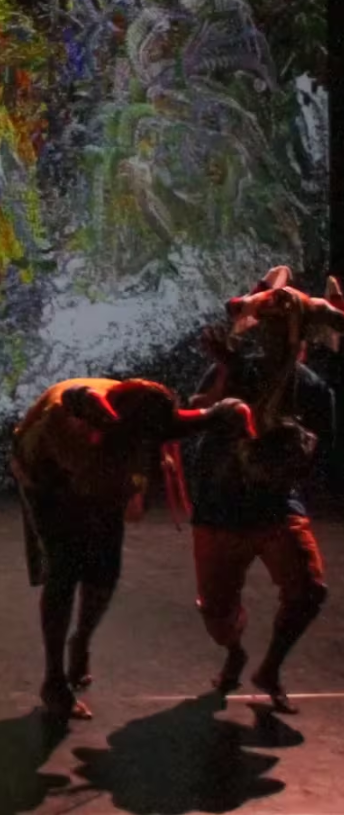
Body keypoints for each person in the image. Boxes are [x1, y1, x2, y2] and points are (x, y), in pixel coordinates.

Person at [11, 376, 226, 721]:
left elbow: (188, 424)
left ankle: (80, 639)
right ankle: (54, 679)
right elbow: (84, 480)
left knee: (104, 571)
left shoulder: (139, 419)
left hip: (99, 474)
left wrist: (220, 413)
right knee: (64, 570)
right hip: (46, 479)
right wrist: (123, 486)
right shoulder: (65, 428)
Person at [188, 267, 334, 714]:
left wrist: (286, 459)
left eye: (283, 329)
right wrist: (223, 382)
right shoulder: (233, 369)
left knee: (308, 589)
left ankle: (269, 668)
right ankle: (234, 651)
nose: (273, 338)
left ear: (300, 338)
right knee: (216, 612)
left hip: (273, 507)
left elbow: (314, 455)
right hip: (220, 506)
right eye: (268, 327)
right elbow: (198, 413)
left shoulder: (311, 389)